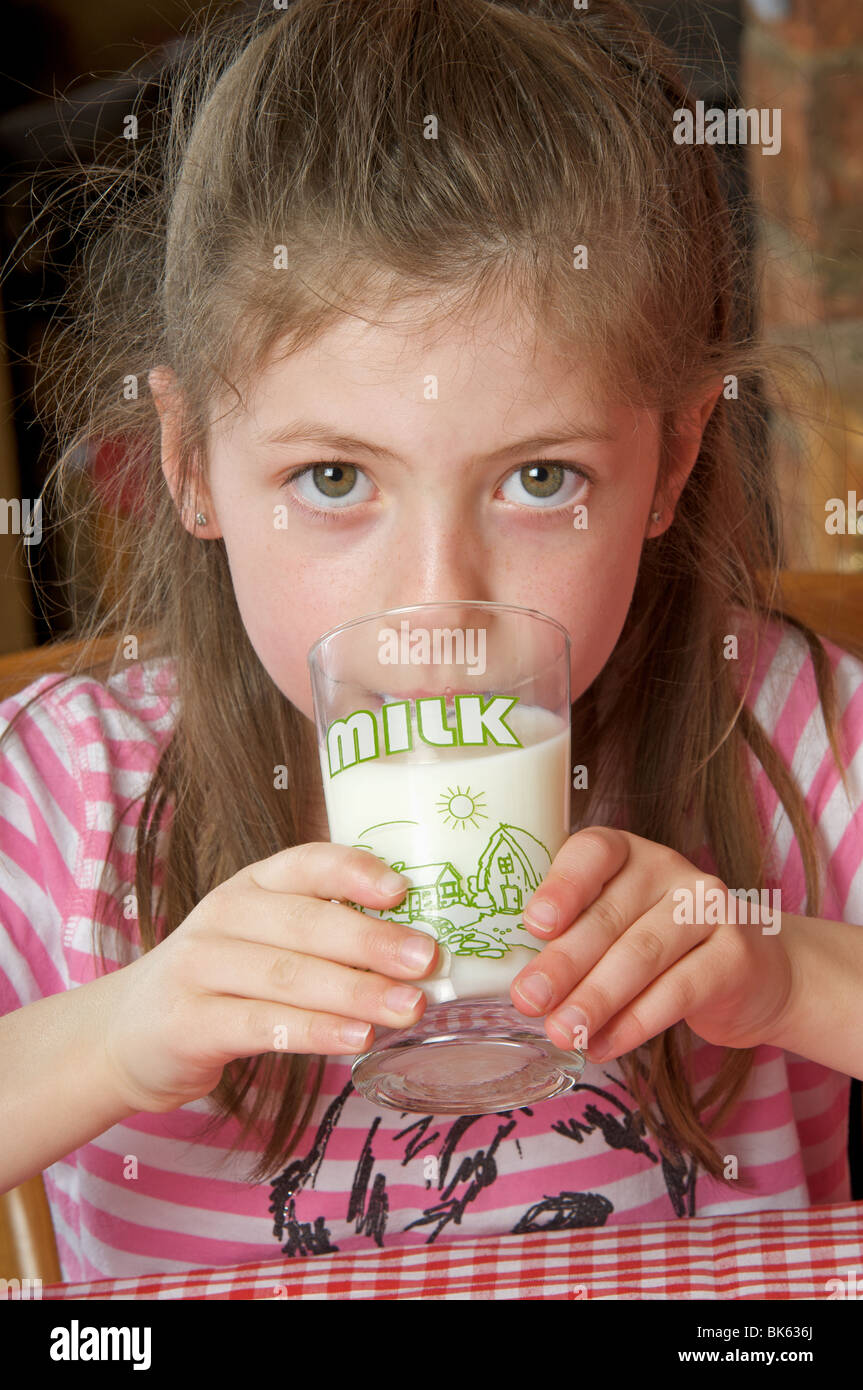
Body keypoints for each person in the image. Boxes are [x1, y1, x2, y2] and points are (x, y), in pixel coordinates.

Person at [1, 0, 861, 1283]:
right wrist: (122, 1031)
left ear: (671, 458)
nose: (436, 605)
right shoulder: (67, 791)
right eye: (335, 478)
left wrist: (785, 972)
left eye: (540, 478)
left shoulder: (793, 734)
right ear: (188, 461)